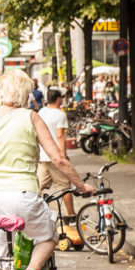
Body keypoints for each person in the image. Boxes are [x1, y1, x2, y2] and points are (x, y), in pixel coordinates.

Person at [0, 70, 92, 270]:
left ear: (2, 91)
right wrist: (81, 186)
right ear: (26, 93)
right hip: (22, 196)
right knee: (49, 234)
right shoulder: (31, 117)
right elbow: (59, 159)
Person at [37, 88, 75, 218]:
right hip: (55, 157)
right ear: (58, 99)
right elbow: (60, 136)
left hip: (42, 155)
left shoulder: (41, 112)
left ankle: (33, 213)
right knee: (65, 187)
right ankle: (71, 215)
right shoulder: (60, 114)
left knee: (38, 187)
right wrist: (63, 157)